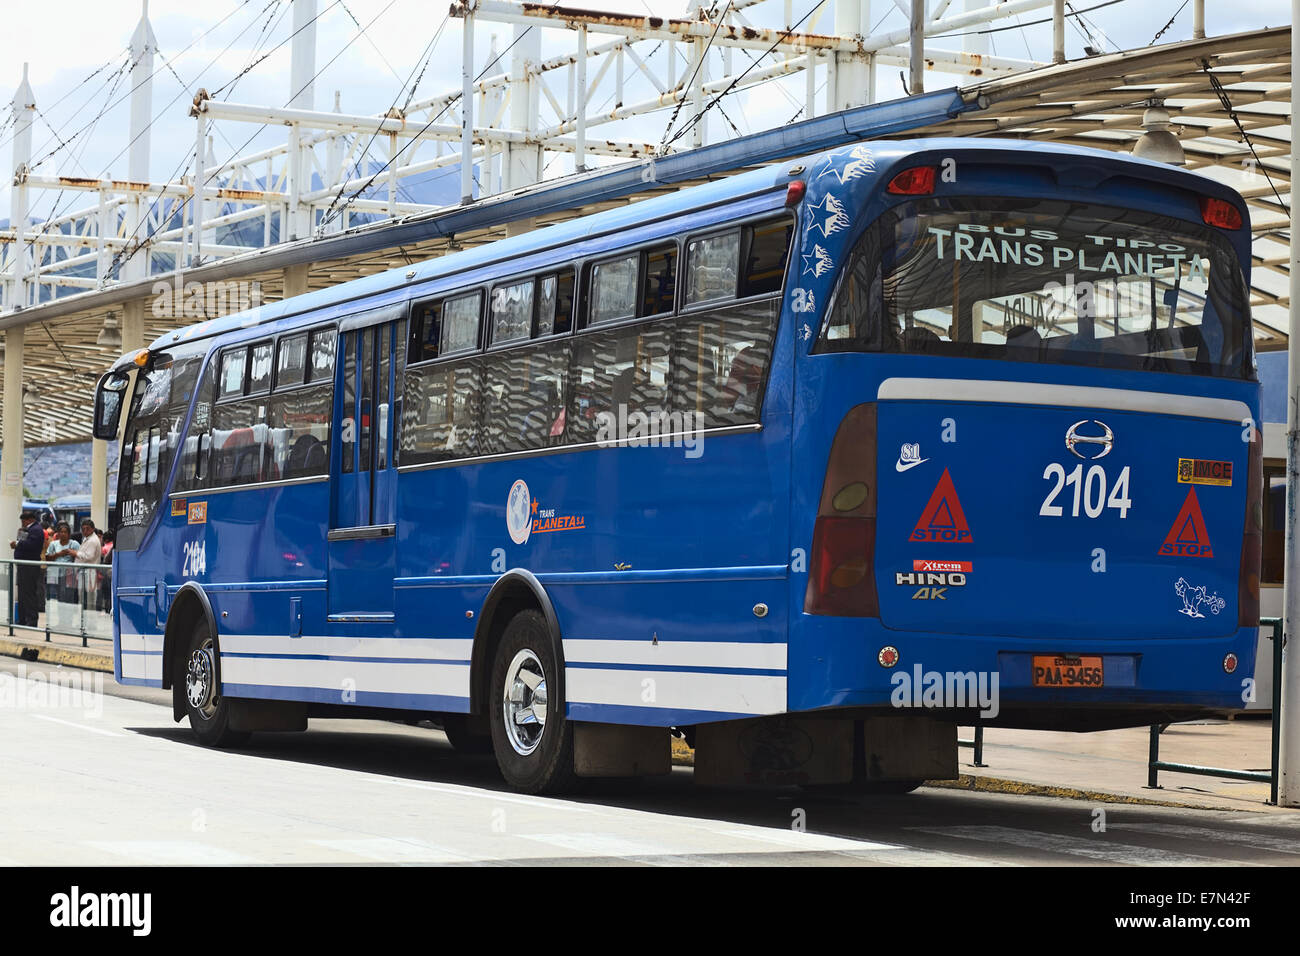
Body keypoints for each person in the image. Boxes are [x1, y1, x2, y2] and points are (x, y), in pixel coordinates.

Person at [9, 510, 46, 626]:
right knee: (22, 593)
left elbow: (31, 545)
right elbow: (22, 541)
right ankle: (22, 619)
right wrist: (18, 539)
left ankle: (32, 620)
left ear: (30, 519)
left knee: (29, 593)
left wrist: (17, 544)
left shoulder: (36, 530)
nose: (22, 524)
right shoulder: (27, 530)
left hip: (29, 567)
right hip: (23, 566)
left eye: (23, 521)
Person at [44, 522, 77, 625]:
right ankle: (61, 621)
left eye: (65, 532)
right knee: (60, 598)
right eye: (61, 532)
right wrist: (58, 554)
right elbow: (47, 558)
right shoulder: (54, 544)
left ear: (68, 533)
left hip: (69, 575)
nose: (63, 534)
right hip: (56, 574)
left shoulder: (74, 544)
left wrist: (72, 554)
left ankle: (68, 622)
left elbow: (80, 556)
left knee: (69, 598)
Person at [75, 520, 102, 612]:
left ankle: (89, 622)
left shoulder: (93, 540)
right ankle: (84, 620)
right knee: (83, 597)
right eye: (83, 529)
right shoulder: (88, 538)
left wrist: (75, 553)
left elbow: (89, 556)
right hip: (84, 572)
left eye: (87, 529)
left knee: (89, 598)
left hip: (89, 572)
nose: (85, 531)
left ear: (93, 529)